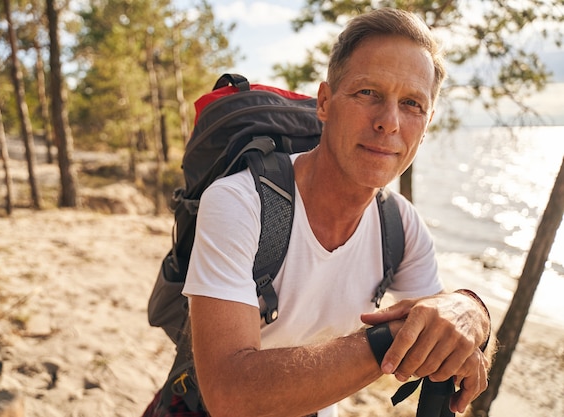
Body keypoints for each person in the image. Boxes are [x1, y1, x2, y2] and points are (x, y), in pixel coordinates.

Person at [182, 8, 493, 417]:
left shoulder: (399, 225)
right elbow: (230, 394)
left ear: (428, 121)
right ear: (325, 102)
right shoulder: (241, 202)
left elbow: (442, 329)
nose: (389, 122)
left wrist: (471, 310)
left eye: (412, 104)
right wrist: (390, 337)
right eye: (368, 93)